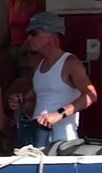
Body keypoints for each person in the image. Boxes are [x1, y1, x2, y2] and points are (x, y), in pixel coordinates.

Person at [12, 11, 95, 147]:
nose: (29, 38)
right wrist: (20, 101)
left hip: (63, 141)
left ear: (51, 34)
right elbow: (36, 101)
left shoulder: (70, 62)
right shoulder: (39, 65)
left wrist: (59, 114)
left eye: (34, 33)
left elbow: (91, 95)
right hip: (39, 138)